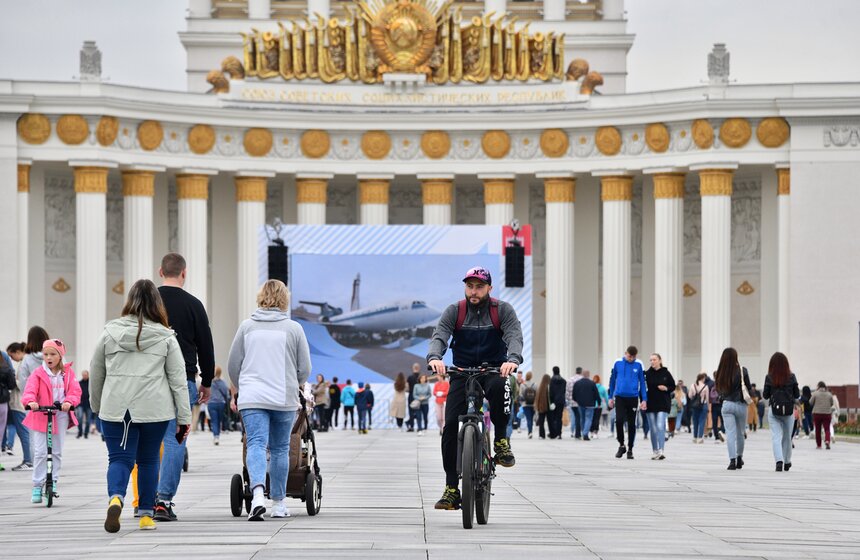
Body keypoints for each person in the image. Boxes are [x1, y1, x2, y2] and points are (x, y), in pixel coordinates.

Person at [90, 279, 192, 532]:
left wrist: (97, 405)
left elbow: (96, 372)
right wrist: (184, 418)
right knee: (148, 461)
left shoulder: (109, 333)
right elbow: (178, 380)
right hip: (154, 410)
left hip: (117, 409)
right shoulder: (167, 337)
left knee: (119, 459)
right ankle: (146, 514)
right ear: (157, 304)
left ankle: (116, 498)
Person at [427, 266, 523, 510]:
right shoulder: (455, 311)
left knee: (503, 386)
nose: (474, 291)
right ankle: (451, 489)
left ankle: (501, 441)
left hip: (494, 369)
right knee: (450, 428)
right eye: (470, 286)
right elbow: (440, 335)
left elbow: (514, 336)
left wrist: (512, 360)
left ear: (489, 288)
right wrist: (435, 357)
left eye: (479, 286)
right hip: (462, 372)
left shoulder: (502, 310)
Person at [228, 279, 311, 520]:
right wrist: (293, 381)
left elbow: (234, 364)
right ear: (285, 299)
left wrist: (243, 385)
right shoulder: (294, 329)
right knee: (280, 449)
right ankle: (278, 504)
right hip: (282, 397)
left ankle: (255, 496)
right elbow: (304, 368)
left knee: (255, 443)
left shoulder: (247, 327)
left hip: (252, 396)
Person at [154, 253, 216, 522]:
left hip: (147, 382)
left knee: (146, 441)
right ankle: (163, 500)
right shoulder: (194, 304)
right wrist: (208, 382)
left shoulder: (146, 303)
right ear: (184, 273)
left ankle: (142, 499)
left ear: (160, 272)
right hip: (183, 380)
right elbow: (206, 346)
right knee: (175, 440)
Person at [21, 339, 81, 503]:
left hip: (60, 414)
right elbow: (29, 391)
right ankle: (37, 484)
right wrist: (30, 402)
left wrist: (69, 402)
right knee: (40, 451)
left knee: (56, 451)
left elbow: (75, 391)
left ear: (60, 356)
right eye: (46, 354)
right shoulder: (38, 373)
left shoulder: (67, 374)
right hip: (40, 414)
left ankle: (53, 481)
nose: (49, 357)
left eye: (53, 354)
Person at [12, 327, 50, 471]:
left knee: (36, 436)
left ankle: (37, 465)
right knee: (52, 434)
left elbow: (23, 383)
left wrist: (29, 399)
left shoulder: (27, 359)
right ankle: (51, 463)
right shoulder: (54, 354)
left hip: (34, 404)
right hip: (53, 403)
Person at [714, 347, 753, 470]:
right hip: (741, 404)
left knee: (730, 433)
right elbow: (748, 387)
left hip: (727, 404)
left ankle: (732, 461)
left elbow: (718, 389)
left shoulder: (720, 371)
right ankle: (739, 457)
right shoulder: (742, 370)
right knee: (740, 433)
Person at [762, 352, 799, 471]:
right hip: (789, 411)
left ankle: (779, 461)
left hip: (774, 411)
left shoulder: (769, 377)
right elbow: (797, 395)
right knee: (787, 437)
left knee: (776, 437)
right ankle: (787, 461)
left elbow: (766, 395)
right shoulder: (792, 377)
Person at [608, 346, 647, 460]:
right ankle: (621, 445)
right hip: (619, 396)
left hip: (633, 397)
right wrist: (610, 396)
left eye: (634, 357)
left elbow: (643, 383)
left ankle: (630, 449)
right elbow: (612, 380)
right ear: (625, 353)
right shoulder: (617, 363)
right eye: (630, 356)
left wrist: (644, 399)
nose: (631, 359)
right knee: (619, 420)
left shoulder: (639, 364)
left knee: (631, 424)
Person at [644, 353, 675, 460]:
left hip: (663, 403)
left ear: (660, 360)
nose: (652, 362)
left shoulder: (666, 373)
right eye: (651, 360)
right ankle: (655, 450)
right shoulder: (647, 374)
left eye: (654, 359)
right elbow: (642, 388)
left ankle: (661, 450)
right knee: (653, 428)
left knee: (660, 425)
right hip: (650, 403)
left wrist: (666, 388)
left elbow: (672, 386)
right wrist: (642, 401)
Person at [3, 342, 26, 456]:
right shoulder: (24, 362)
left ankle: (28, 460)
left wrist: (13, 381)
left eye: (11, 356)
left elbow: (23, 384)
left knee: (24, 432)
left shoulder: (24, 363)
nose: (11, 359)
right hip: (17, 402)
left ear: (17, 352)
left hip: (19, 402)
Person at [572, 370, 599, 441]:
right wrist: (598, 402)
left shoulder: (577, 383)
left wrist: (577, 400)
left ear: (582, 375)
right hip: (590, 404)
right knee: (589, 419)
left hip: (580, 404)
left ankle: (584, 432)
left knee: (582, 418)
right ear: (589, 375)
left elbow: (573, 395)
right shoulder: (592, 383)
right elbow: (596, 394)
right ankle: (585, 433)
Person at [808, 381, 835, 450]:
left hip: (817, 413)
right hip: (827, 414)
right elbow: (832, 403)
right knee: (827, 429)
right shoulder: (829, 394)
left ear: (818, 386)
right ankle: (827, 441)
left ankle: (819, 445)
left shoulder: (815, 394)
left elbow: (810, 402)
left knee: (818, 430)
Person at [208, 366, 230, 445]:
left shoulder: (209, 382)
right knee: (219, 420)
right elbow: (226, 393)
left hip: (211, 403)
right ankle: (217, 435)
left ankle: (216, 436)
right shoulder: (223, 382)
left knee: (214, 420)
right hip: (221, 403)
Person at [688, 373, 709, 443]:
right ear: (703, 378)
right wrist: (708, 407)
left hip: (695, 406)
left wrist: (695, 396)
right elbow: (707, 398)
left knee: (695, 421)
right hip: (703, 405)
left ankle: (694, 437)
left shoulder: (693, 385)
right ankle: (700, 438)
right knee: (702, 421)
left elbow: (689, 396)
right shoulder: (705, 386)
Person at [548, 366, 567, 439]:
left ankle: (554, 433)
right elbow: (564, 391)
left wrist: (551, 401)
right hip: (561, 401)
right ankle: (559, 433)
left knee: (553, 418)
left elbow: (551, 392)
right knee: (559, 417)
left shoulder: (551, 380)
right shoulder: (563, 381)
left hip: (554, 401)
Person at [565, 366, 583, 438]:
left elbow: (567, 392)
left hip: (572, 402)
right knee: (580, 417)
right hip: (581, 402)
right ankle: (578, 433)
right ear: (581, 371)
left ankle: (572, 431)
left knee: (574, 417)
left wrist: (568, 400)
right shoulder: (582, 379)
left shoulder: (570, 380)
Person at [75, 370, 92, 439]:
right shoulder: (79, 383)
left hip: (89, 404)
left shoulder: (91, 383)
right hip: (80, 404)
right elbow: (76, 393)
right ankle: (80, 432)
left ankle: (86, 433)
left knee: (88, 420)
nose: (84, 376)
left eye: (86, 375)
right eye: (83, 375)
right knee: (79, 419)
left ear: (88, 375)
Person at [520, 371, 537, 438]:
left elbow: (520, 395)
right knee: (531, 418)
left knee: (528, 418)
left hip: (525, 404)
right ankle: (531, 431)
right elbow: (537, 395)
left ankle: (529, 432)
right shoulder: (534, 384)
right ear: (531, 377)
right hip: (533, 404)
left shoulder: (522, 385)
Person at [405, 364, 420, 432]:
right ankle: (419, 427)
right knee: (418, 412)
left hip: (411, 395)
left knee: (411, 412)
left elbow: (407, 388)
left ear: (413, 368)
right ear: (418, 368)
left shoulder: (410, 377)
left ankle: (411, 426)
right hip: (419, 396)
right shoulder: (421, 377)